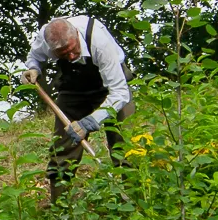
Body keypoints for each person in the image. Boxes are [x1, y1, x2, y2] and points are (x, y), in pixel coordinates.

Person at [22, 15, 134, 203]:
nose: (71, 57)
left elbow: (119, 93)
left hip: (111, 88)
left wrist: (90, 122)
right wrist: (34, 69)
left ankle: (136, 203)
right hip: (73, 90)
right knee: (62, 148)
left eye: (73, 50)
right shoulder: (44, 38)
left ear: (76, 34)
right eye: (63, 54)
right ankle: (60, 210)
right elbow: (34, 57)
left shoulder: (99, 42)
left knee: (125, 148)